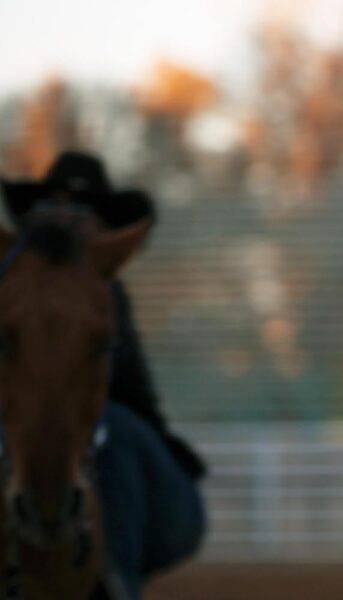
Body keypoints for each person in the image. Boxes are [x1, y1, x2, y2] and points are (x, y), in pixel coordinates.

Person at [1, 151, 207, 597]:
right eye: (52, 209)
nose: (66, 220)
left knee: (109, 431)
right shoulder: (20, 288)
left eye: (80, 210)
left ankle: (113, 581)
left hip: (116, 445)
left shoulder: (101, 291)